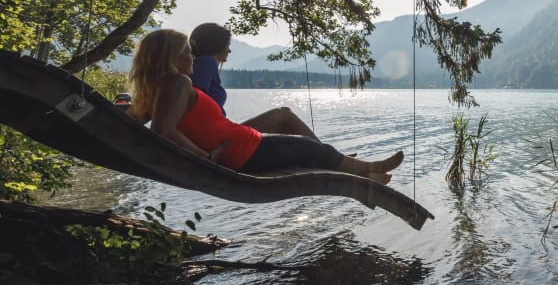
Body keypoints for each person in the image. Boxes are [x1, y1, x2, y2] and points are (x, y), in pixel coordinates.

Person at [127, 29, 402, 183]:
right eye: (187, 53)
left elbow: (137, 123)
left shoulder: (155, 90)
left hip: (240, 145)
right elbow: (163, 130)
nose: (192, 58)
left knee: (307, 147)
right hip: (242, 151)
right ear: (172, 57)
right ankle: (369, 168)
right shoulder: (176, 83)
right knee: (308, 148)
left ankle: (366, 175)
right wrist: (204, 157)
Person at [189, 22, 319, 138]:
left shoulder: (201, 64)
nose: (229, 50)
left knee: (284, 129)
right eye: (227, 45)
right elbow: (194, 103)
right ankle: (326, 153)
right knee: (284, 114)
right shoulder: (206, 62)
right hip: (219, 135)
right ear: (216, 45)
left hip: (219, 131)